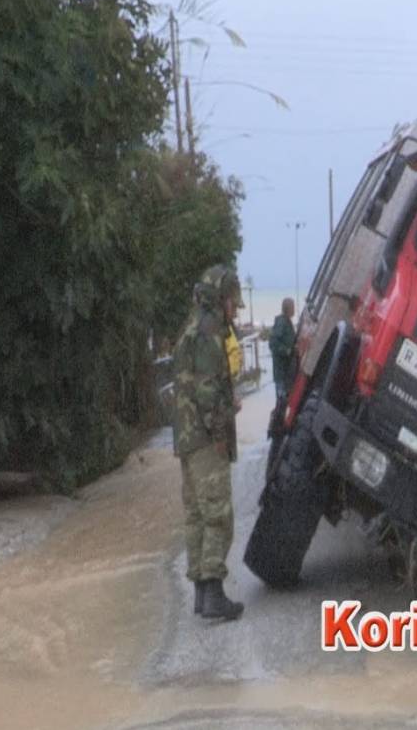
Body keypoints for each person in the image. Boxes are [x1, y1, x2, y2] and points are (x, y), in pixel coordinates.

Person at [173, 264, 245, 621]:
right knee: (217, 513)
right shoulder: (209, 331)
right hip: (204, 438)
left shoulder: (191, 326)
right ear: (221, 297)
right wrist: (220, 429)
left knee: (197, 515)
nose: (235, 308)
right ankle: (214, 593)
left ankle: (202, 594)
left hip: (187, 437)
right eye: (233, 300)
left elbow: (196, 384)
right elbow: (205, 390)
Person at [269, 298, 297, 400]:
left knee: (285, 398)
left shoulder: (288, 322)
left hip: (287, 372)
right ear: (288, 308)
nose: (295, 309)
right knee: (282, 400)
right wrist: (287, 351)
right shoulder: (282, 322)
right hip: (281, 372)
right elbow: (273, 344)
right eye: (293, 307)